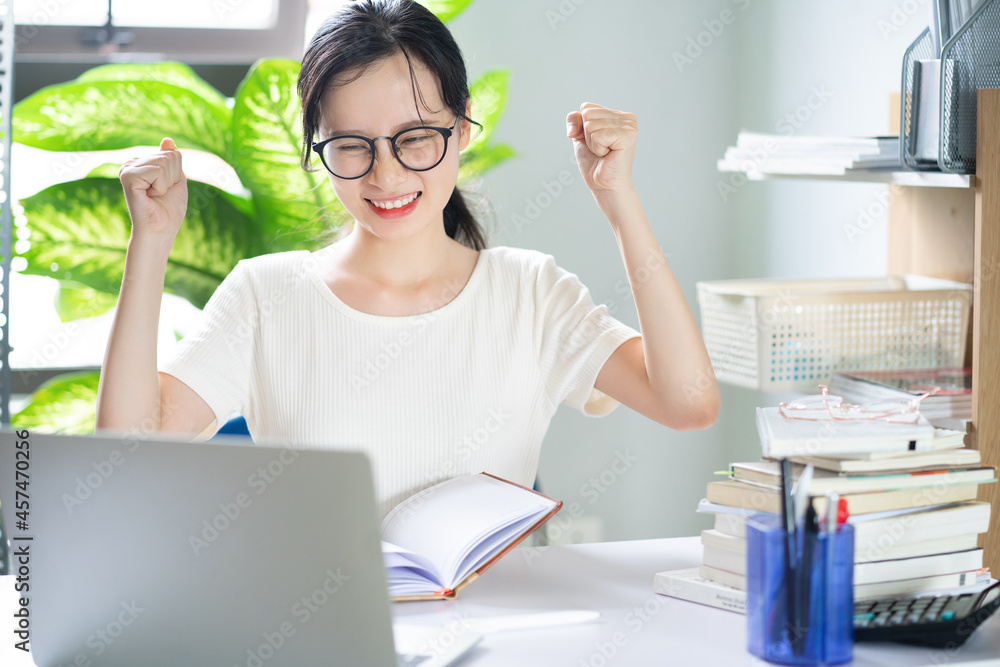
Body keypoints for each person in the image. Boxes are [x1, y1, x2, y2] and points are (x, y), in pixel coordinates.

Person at [95, 0, 719, 515]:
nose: (387, 175)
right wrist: (149, 242)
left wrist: (619, 201)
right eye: (351, 146)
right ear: (317, 148)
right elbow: (126, 449)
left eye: (415, 138)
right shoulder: (265, 295)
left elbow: (688, 401)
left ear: (464, 127)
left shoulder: (530, 292)